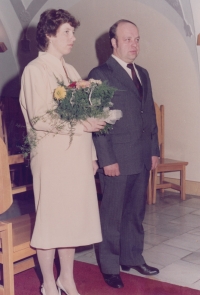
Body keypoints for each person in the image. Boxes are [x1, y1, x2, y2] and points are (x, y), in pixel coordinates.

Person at [20, 9, 106, 295]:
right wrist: (84, 126)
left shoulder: (69, 70)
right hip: (52, 158)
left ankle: (66, 278)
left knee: (70, 219)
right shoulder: (36, 70)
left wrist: (92, 154)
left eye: (73, 31)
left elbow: (82, 114)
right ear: (49, 35)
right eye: (67, 32)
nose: (73, 37)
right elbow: (40, 119)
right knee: (50, 222)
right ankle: (47, 283)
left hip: (76, 156)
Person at [88, 19, 160, 289]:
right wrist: (106, 159)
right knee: (112, 216)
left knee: (135, 213)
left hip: (141, 157)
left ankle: (132, 257)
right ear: (114, 43)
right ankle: (109, 266)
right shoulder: (100, 74)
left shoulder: (143, 73)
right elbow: (98, 120)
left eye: (137, 39)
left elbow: (149, 114)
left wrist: (153, 150)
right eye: (128, 39)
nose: (134, 44)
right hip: (116, 159)